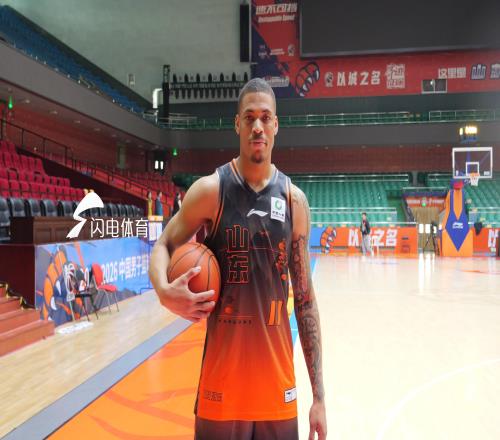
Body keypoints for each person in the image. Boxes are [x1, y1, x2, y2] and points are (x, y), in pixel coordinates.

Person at [149, 78, 327, 440]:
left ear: (276, 125)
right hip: (221, 390)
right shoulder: (210, 190)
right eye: (249, 117)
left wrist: (319, 397)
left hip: (277, 388)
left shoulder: (294, 201)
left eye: (265, 117)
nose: (257, 126)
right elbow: (164, 244)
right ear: (237, 124)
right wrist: (164, 292)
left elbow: (305, 301)